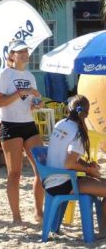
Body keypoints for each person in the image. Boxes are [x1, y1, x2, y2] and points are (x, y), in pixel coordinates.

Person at [0, 39, 44, 224]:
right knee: (14, 173)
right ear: (12, 55)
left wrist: (36, 103)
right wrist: (21, 92)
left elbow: (30, 104)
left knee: (42, 169)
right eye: (19, 51)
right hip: (10, 125)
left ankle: (39, 212)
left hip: (29, 124)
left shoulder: (31, 76)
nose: (23, 53)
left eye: (25, 50)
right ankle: (16, 217)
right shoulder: (5, 74)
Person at [45, 94, 106, 234]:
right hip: (63, 182)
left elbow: (67, 157)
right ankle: (103, 232)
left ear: (68, 109)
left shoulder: (61, 124)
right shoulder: (78, 132)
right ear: (87, 113)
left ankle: (104, 231)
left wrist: (87, 165)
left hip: (51, 179)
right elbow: (69, 163)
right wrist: (88, 170)